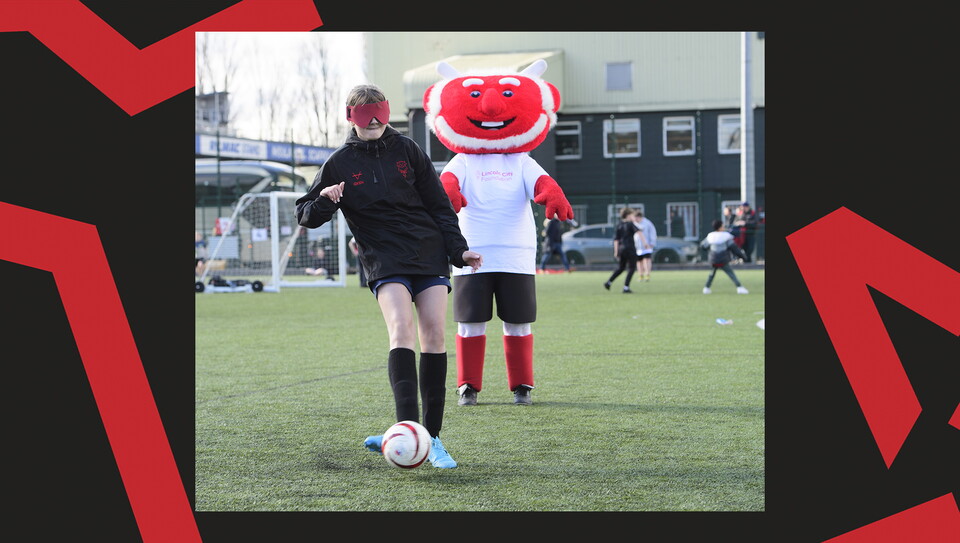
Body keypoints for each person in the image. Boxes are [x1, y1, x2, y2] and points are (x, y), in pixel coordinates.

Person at [295, 84, 482, 469]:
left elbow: (440, 207)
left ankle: (432, 438)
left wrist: (459, 250)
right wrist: (326, 201)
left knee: (435, 333)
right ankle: (407, 431)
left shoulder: (409, 150)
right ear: (351, 116)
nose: (375, 121)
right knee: (401, 329)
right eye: (366, 115)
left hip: (428, 251)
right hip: (382, 257)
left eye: (380, 113)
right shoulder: (339, 162)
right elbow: (305, 214)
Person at [424, 59, 574, 407]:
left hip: (516, 253)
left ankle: (522, 385)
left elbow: (542, 183)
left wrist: (552, 194)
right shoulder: (463, 160)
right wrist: (448, 193)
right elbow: (446, 184)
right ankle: (468, 386)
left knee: (518, 322)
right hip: (470, 253)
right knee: (469, 323)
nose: (491, 108)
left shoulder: (521, 160)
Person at [700, 219, 749, 294]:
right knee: (731, 273)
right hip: (723, 259)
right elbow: (734, 248)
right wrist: (743, 257)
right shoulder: (726, 236)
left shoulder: (710, 236)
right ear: (720, 227)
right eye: (722, 226)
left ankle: (706, 288)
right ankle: (739, 287)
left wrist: (710, 250)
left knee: (711, 274)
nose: (724, 227)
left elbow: (703, 246)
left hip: (713, 259)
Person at [604, 207, 646, 293]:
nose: (633, 217)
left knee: (621, 267)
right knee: (632, 268)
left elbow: (616, 239)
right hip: (630, 248)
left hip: (621, 249)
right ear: (628, 215)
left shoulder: (619, 225)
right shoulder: (630, 224)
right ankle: (626, 287)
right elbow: (639, 232)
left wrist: (616, 251)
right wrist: (645, 243)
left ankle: (608, 282)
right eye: (632, 215)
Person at [633, 209, 656, 282]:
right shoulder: (634, 223)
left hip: (647, 246)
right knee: (639, 261)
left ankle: (647, 275)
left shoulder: (647, 223)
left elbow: (652, 233)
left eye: (636, 218)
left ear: (639, 217)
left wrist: (652, 243)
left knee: (646, 260)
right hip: (637, 246)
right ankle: (640, 275)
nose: (635, 219)